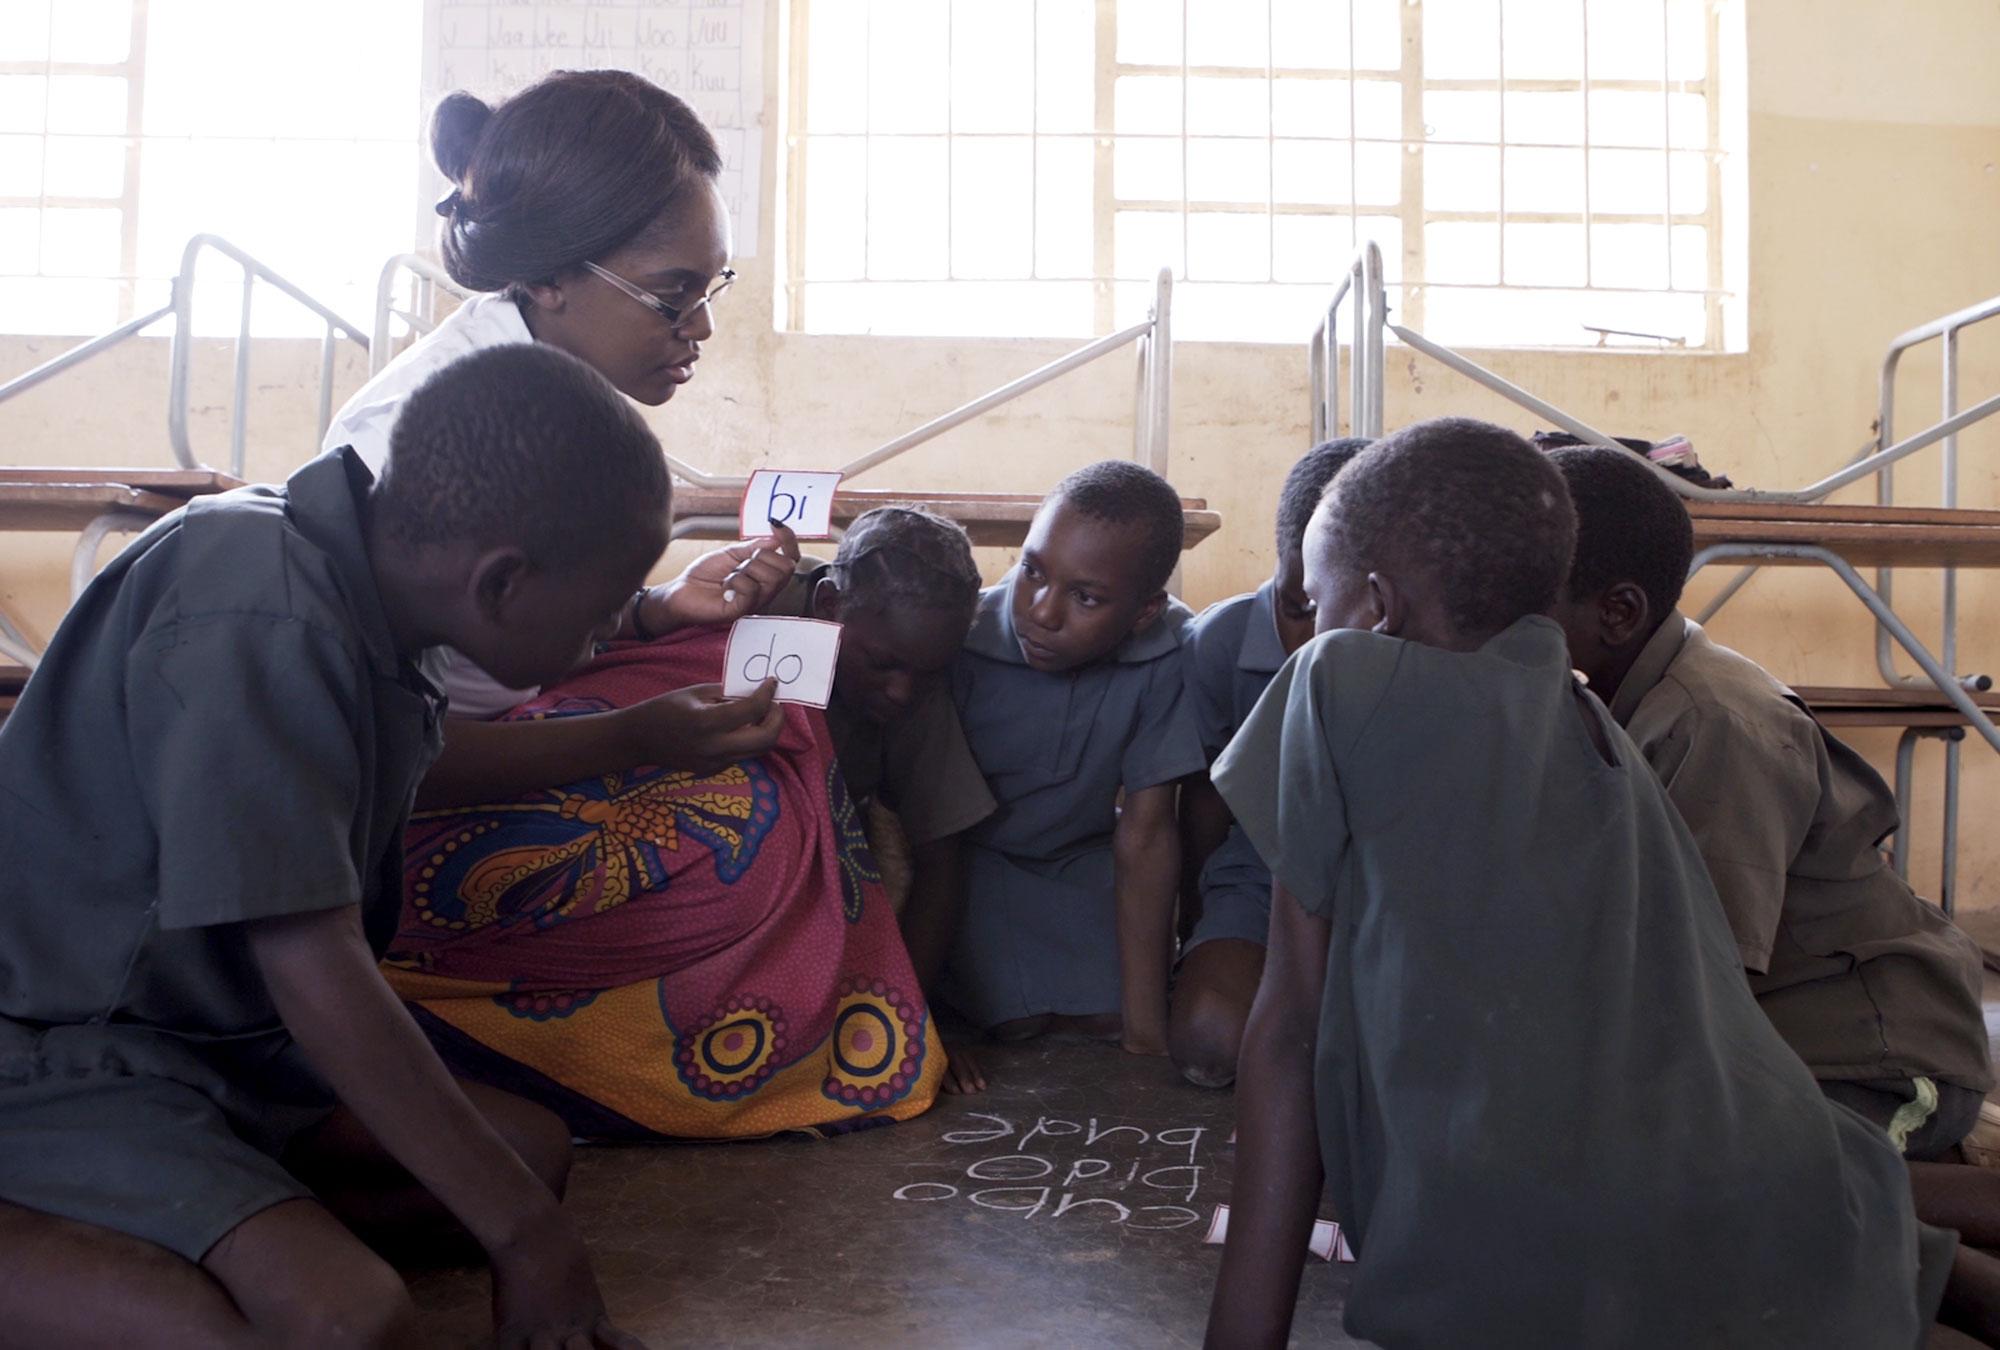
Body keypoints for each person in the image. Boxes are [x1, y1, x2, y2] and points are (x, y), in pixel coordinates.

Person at [1207, 418, 1947, 1349]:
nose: (1306, 629)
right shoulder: (1583, 709)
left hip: (1535, 1273)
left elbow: (1288, 1031)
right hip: (1753, 1210)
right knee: (1867, 1243)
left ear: (1377, 610)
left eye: (1314, 603)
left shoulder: (1337, 683)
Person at [0, 344, 666, 1348]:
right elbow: (312, 962)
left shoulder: (357, 587)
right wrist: (530, 1243)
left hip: (212, 1045)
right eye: (607, 604)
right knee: (346, 1318)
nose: (613, 628)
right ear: (501, 582)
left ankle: (208, 1216)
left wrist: (646, 734)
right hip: (58, 1050)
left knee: (524, 1157)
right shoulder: (257, 604)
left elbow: (369, 775)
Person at [1546, 442, 2000, 1343]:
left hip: (1874, 1049)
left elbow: (1697, 993)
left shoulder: (1713, 724)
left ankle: (1970, 1203)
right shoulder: (1612, 689)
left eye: (1520, 605)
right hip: (1775, 1031)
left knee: (1714, 1192)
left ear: (1617, 611)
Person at [326, 70, 792, 780]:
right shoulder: (406, 445)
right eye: (674, 293)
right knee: (743, 810)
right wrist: (629, 739)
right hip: (422, 779)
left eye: (711, 287)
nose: (703, 326)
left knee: (784, 692)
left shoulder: (553, 388)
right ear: (548, 277)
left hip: (518, 709)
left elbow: (514, 626)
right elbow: (362, 749)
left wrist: (650, 612)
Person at [948, 461, 1206, 1054]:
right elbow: (926, 832)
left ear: (1144, 612)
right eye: (1031, 571)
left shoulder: (1166, 651)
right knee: (1013, 1026)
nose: (1042, 611)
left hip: (1084, 865)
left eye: (1085, 597)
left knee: (1110, 1018)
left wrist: (1147, 1037)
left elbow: (1144, 835)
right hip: (967, 869)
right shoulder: (962, 638)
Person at [767, 507, 997, 1094]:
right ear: (826, 607)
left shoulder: (914, 682)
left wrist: (904, 1024)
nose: (902, 692)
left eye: (927, 673)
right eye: (882, 664)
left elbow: (943, 853)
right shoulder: (749, 610)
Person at [1169, 437, 1369, 1088]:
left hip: (1383, 885)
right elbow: (1204, 799)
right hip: (1258, 880)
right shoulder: (1220, 642)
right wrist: (1202, 926)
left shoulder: (1425, 654)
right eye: (1298, 607)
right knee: (1211, 1040)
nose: (1318, 638)